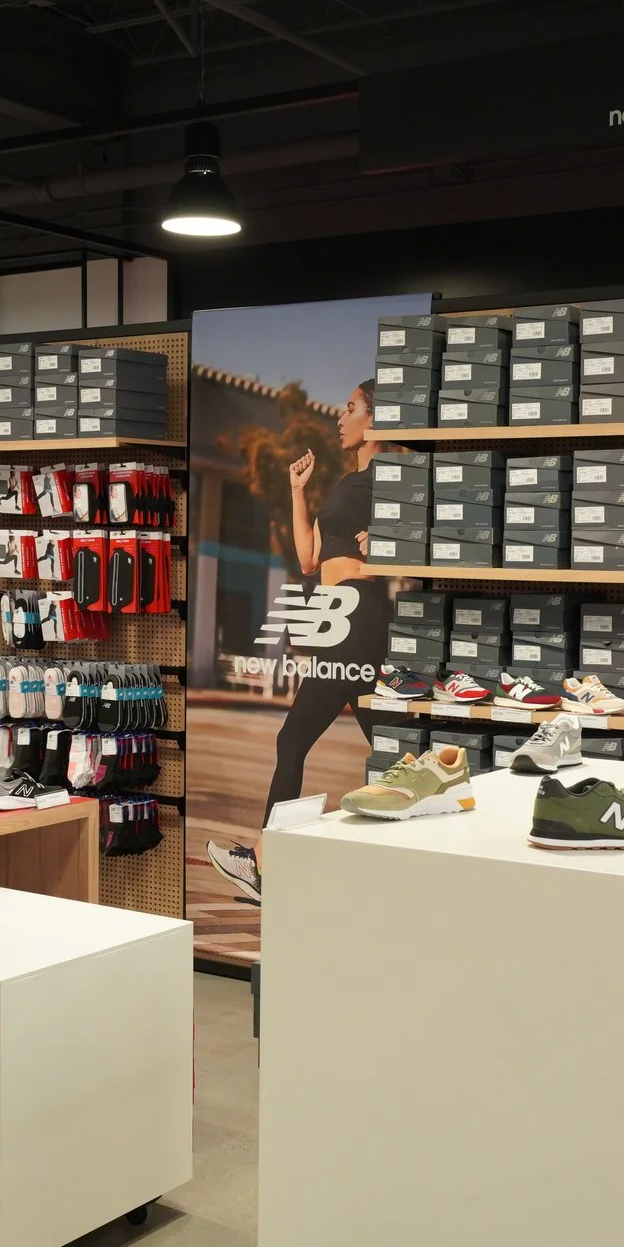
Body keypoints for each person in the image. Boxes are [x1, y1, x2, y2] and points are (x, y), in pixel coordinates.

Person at [206, 380, 386, 904]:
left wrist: (392, 542)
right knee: (392, 749)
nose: (340, 416)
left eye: (350, 408)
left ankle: (266, 866)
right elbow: (307, 558)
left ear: (374, 421)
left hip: (356, 615)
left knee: (294, 739)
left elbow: (428, 524)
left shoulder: (387, 479)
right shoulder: (350, 480)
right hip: (336, 616)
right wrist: (297, 489)